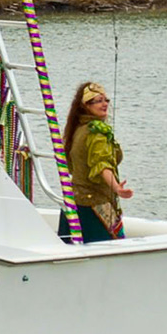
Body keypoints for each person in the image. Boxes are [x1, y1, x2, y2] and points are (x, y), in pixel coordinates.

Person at [58, 81, 131, 243]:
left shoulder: (76, 130)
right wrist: (116, 188)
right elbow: (102, 165)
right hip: (94, 207)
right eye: (98, 101)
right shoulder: (97, 133)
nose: (104, 104)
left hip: (73, 202)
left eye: (106, 100)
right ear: (85, 106)